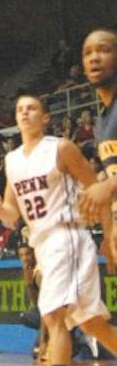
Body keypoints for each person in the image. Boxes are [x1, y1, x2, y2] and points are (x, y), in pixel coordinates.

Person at [0, 92, 117, 366]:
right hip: (43, 243)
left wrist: (109, 237)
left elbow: (97, 189)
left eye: (31, 108)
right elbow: (12, 213)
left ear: (45, 117)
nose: (25, 113)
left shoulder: (61, 148)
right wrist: (0, 212)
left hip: (68, 235)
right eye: (19, 109)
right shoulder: (12, 160)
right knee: (91, 324)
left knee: (52, 314)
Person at [79, 29, 117, 252]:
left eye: (104, 50)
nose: (94, 57)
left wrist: (109, 185)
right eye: (87, 53)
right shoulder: (101, 121)